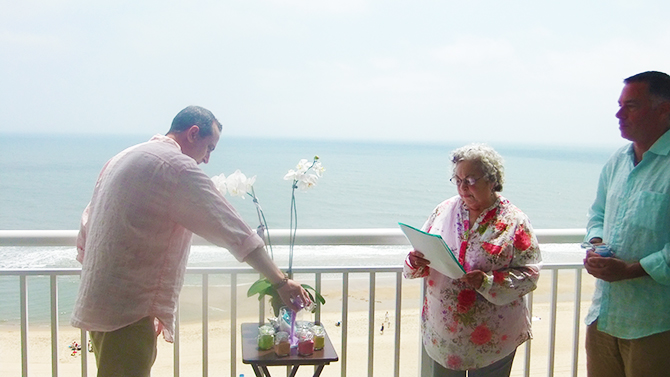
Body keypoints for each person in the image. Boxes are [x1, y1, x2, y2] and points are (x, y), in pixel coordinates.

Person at [71, 106, 310, 377]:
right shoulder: (174, 167)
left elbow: (87, 227)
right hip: (128, 310)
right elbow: (233, 230)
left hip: (98, 299)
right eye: (209, 148)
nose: (207, 159)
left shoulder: (123, 157)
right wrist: (280, 281)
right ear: (193, 133)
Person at [404, 144, 541, 377]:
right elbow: (422, 249)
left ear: (492, 180)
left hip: (494, 336)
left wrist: (487, 282)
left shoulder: (514, 220)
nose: (462, 187)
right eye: (457, 179)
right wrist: (414, 261)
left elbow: (530, 274)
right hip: (444, 333)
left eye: (469, 179)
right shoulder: (444, 210)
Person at [583, 71, 670, 377]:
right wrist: (596, 246)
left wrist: (632, 271)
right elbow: (598, 216)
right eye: (619, 105)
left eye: (631, 106)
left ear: (664, 109)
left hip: (656, 325)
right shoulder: (618, 161)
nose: (619, 114)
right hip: (604, 317)